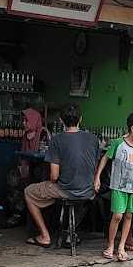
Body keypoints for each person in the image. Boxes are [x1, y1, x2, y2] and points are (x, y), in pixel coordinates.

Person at [24, 103, 99, 248]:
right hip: (89, 191)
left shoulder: (57, 140)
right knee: (72, 196)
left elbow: (53, 176)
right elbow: (93, 166)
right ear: (80, 119)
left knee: (28, 191)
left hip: (67, 190)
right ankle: (70, 232)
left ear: (61, 120)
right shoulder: (93, 139)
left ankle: (45, 236)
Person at [94, 112, 133, 262]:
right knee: (117, 215)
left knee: (129, 216)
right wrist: (97, 177)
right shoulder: (118, 143)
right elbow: (105, 158)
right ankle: (110, 245)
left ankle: (121, 247)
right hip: (118, 187)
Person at [6, 108, 49, 226]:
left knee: (34, 177)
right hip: (28, 167)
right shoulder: (26, 135)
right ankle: (17, 214)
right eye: (23, 121)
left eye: (26, 121)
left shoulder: (43, 134)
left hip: (41, 169)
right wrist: (22, 166)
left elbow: (44, 155)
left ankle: (29, 216)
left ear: (34, 120)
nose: (23, 123)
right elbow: (23, 154)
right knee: (13, 178)